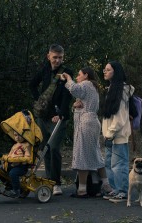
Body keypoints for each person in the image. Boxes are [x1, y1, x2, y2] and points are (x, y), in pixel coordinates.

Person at [61, 67, 113, 198]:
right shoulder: (92, 87)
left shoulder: (85, 84)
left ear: (86, 75)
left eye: (79, 75)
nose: (77, 78)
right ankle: (106, 185)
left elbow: (74, 89)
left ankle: (82, 190)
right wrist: (75, 105)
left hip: (86, 123)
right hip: (92, 121)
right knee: (95, 153)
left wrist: (68, 79)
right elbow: (82, 100)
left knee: (82, 154)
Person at [29, 44, 73, 195]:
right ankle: (49, 181)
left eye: (60, 57)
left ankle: (57, 183)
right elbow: (32, 85)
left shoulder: (67, 72)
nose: (57, 60)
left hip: (58, 118)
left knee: (54, 148)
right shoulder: (44, 69)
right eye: (54, 57)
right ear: (49, 56)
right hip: (43, 116)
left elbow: (68, 95)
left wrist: (60, 113)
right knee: (45, 149)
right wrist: (38, 101)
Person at [101, 61, 134, 203]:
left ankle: (122, 191)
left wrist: (110, 133)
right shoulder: (112, 89)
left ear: (116, 72)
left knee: (119, 164)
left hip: (117, 135)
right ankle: (115, 189)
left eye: (108, 70)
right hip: (110, 135)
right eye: (105, 69)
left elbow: (120, 117)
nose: (104, 71)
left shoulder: (121, 91)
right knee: (109, 164)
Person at [1, 131, 32, 198]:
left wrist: (18, 159)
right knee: (1, 169)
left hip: (21, 167)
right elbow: (9, 155)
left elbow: (28, 158)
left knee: (13, 173)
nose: (17, 137)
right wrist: (5, 159)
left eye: (19, 135)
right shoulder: (15, 145)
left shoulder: (27, 145)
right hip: (12, 165)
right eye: (15, 135)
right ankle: (8, 184)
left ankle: (16, 191)